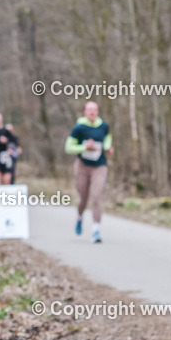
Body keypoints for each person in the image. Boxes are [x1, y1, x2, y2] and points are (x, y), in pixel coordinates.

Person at [65, 100, 113, 243]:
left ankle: (96, 231)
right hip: (82, 166)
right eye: (89, 110)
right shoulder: (79, 128)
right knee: (83, 199)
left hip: (99, 165)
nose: (92, 112)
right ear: (85, 112)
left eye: (95, 110)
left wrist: (108, 147)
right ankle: (80, 217)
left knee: (96, 196)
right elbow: (68, 148)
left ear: (97, 111)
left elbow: (107, 140)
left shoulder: (104, 126)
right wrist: (84, 147)